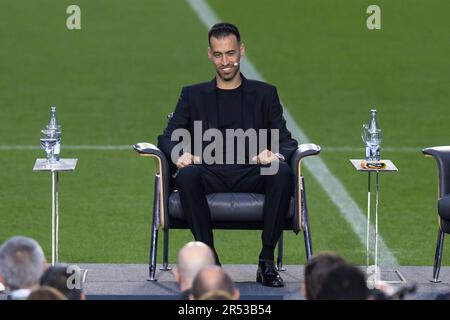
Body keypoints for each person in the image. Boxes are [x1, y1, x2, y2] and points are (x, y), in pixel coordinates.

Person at [157, 22, 297, 287]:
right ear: (209, 54)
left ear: (241, 51)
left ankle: (266, 262)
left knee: (281, 172)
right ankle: (211, 264)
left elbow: (286, 141)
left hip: (251, 172)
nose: (225, 62)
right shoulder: (192, 94)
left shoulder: (265, 94)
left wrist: (273, 154)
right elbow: (167, 136)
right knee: (186, 175)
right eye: (218, 54)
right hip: (210, 171)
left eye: (230, 53)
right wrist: (179, 155)